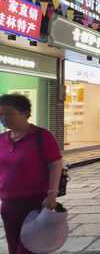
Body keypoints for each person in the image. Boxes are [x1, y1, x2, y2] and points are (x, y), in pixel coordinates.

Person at [0, 94, 63, 254]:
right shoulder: (1, 139)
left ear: (25, 113)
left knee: (30, 247)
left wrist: (52, 194)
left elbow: (55, 164)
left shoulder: (42, 136)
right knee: (13, 246)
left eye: (8, 113)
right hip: (9, 203)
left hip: (36, 202)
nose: (3, 118)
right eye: (0, 114)